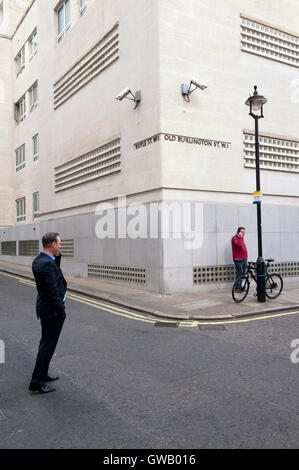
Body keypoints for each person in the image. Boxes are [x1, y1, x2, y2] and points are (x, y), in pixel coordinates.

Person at [29, 232, 67, 393]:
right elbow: (52, 291)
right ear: (52, 245)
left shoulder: (41, 260)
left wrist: (56, 258)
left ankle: (43, 374)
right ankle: (36, 382)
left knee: (46, 344)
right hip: (52, 311)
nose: (60, 246)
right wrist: (61, 310)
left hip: (46, 308)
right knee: (47, 346)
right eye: (59, 243)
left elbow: (53, 277)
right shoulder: (46, 264)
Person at [231, 227, 248, 292]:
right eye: (242, 232)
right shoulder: (234, 238)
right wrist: (241, 237)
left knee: (243, 274)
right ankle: (237, 287)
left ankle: (240, 286)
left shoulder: (241, 238)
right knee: (239, 273)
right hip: (238, 260)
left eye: (244, 232)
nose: (243, 233)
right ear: (238, 232)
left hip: (244, 259)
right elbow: (238, 245)